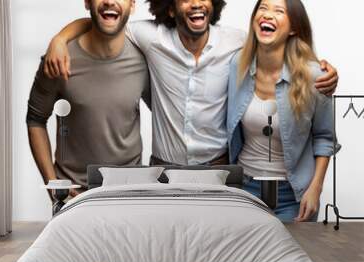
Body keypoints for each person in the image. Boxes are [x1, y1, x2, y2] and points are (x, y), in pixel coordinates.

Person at [43, 0, 339, 167]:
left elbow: (279, 45)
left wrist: (321, 69)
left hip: (219, 167)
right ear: (171, 9)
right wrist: (60, 38)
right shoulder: (151, 37)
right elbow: (105, 22)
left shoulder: (236, 42)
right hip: (163, 168)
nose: (197, 3)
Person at [227, 0, 340, 222]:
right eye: (262, 8)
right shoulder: (236, 65)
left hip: (293, 195)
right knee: (246, 257)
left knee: (293, 256)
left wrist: (315, 189)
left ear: (294, 28)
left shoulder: (316, 76)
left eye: (279, 11)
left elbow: (325, 138)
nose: (268, 15)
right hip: (244, 191)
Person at [26, 0, 150, 201]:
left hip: (129, 194)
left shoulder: (145, 59)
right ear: (87, 2)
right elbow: (35, 120)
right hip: (75, 196)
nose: (110, 1)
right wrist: (54, 187)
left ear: (132, 4)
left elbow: (166, 112)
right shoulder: (59, 58)